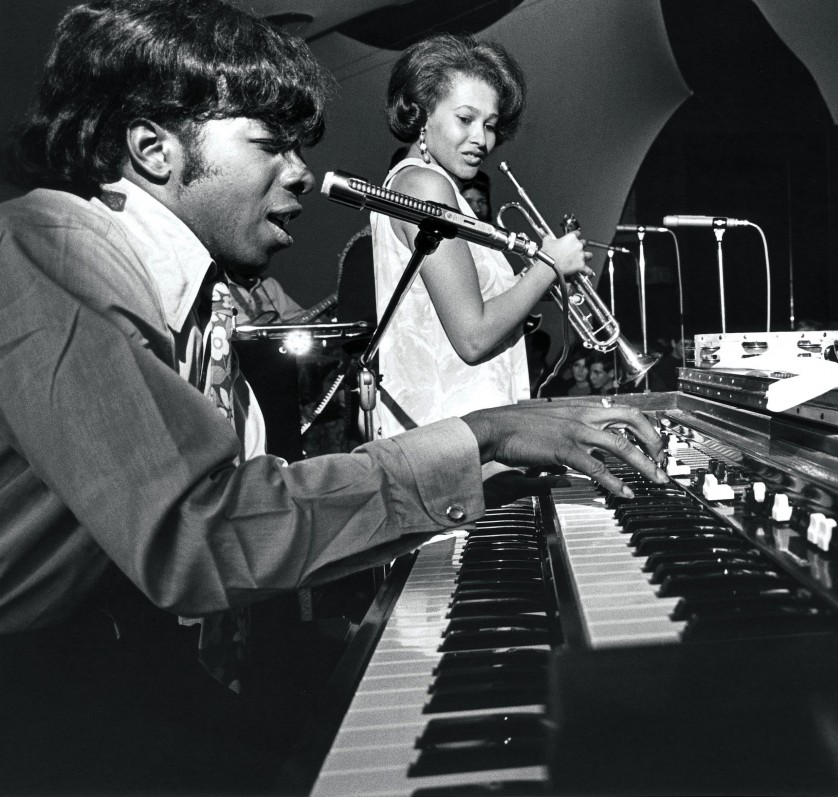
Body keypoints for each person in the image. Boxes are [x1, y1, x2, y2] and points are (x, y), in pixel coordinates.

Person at [0, 2, 667, 792]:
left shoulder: (187, 284)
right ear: (152, 147)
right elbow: (201, 533)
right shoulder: (55, 246)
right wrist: (482, 434)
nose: (302, 174)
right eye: (270, 144)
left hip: (109, 643)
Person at [371, 32, 592, 440]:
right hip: (451, 443)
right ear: (420, 114)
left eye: (490, 125)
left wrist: (538, 284)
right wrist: (548, 268)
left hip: (466, 434)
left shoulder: (426, 183)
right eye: (465, 119)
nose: (481, 139)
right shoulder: (424, 186)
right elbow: (472, 337)